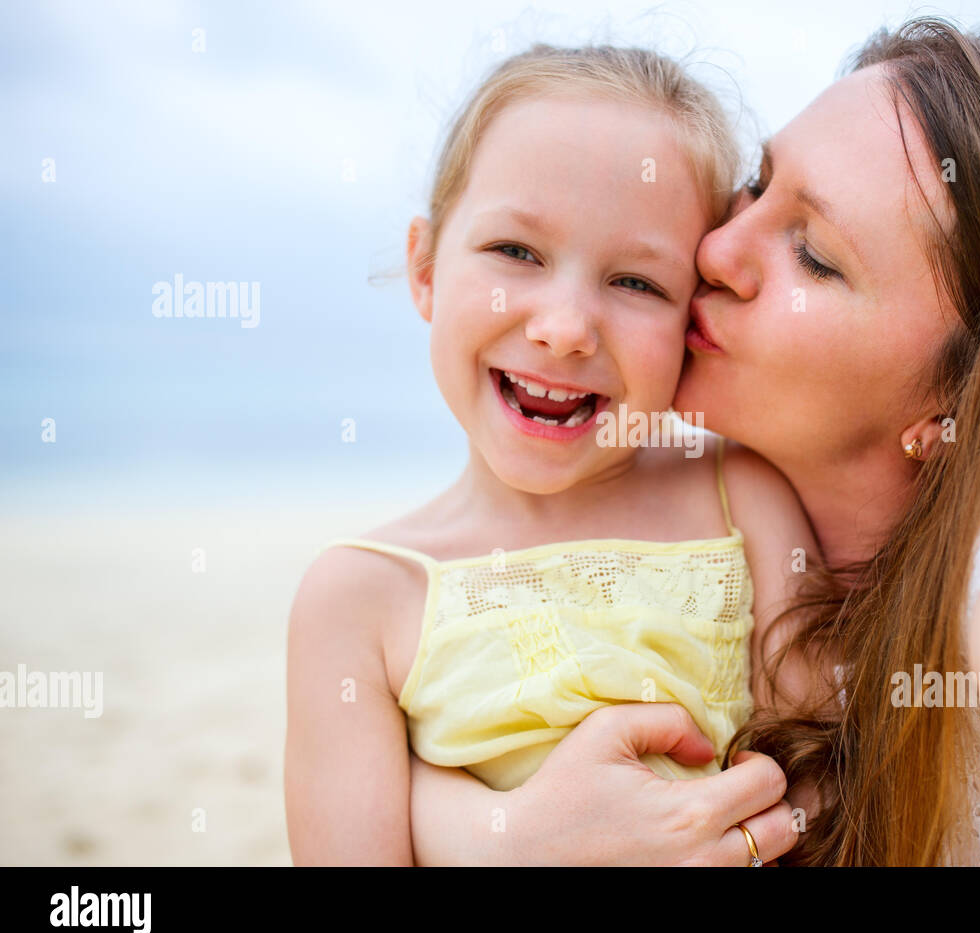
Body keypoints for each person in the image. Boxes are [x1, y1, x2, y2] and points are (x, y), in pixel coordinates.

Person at [405, 18, 980, 867]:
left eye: (817, 254)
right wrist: (496, 832)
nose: (714, 249)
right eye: (756, 185)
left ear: (959, 399)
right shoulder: (699, 548)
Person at [283, 44, 816, 865]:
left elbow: (831, 783)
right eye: (517, 253)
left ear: (692, 322)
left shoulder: (740, 496)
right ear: (425, 268)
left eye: (637, 282)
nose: (564, 327)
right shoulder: (357, 600)